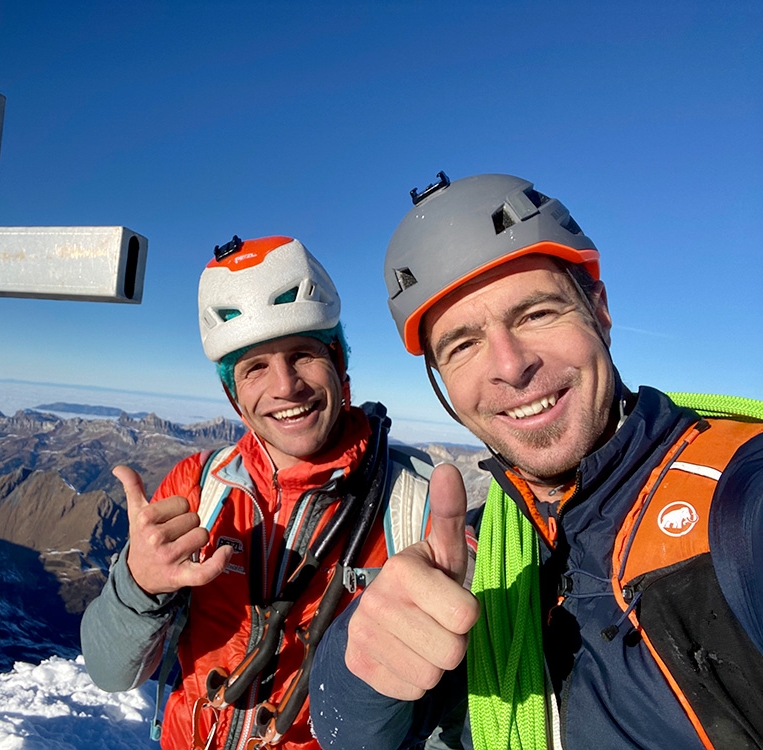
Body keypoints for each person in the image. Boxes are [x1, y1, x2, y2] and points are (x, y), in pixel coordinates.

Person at [309, 172, 763, 749]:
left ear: (598, 308)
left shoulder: (733, 498)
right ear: (441, 381)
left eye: (535, 314)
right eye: (464, 344)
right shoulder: (481, 552)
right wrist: (363, 661)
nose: (510, 365)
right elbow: (347, 735)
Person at [80, 235, 470, 750]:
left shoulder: (412, 507)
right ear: (234, 395)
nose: (285, 386)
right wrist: (138, 585)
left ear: (339, 365)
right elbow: (112, 673)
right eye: (255, 367)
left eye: (303, 355)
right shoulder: (197, 488)